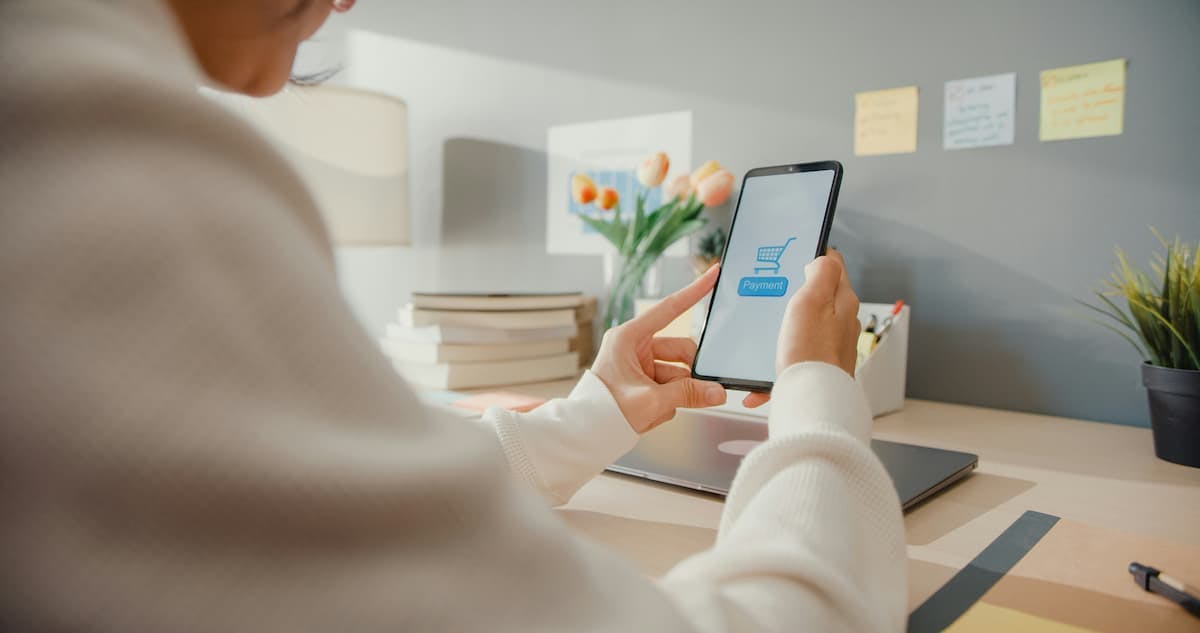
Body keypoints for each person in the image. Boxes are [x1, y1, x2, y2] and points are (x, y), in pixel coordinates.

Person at [0, 0, 907, 631]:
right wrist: (822, 397)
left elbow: (329, 479)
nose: (346, 6)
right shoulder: (97, 166)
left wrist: (590, 415)